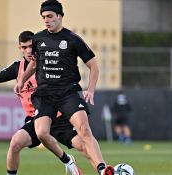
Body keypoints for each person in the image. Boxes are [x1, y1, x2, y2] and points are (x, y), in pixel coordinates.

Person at [0, 31, 94, 175]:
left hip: (58, 116)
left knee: (83, 146)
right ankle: (68, 161)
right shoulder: (17, 68)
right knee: (15, 143)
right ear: (20, 49)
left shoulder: (48, 64)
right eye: (23, 47)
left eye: (30, 46)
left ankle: (105, 169)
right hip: (36, 118)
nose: (28, 50)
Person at [14, 1, 115, 175]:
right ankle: (67, 160)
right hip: (45, 95)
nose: (46, 20)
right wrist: (21, 80)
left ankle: (102, 169)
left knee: (84, 129)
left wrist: (90, 90)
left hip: (67, 93)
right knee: (42, 133)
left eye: (50, 16)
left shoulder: (73, 39)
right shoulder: (38, 39)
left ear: (59, 16)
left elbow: (94, 66)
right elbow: (34, 64)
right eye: (44, 17)